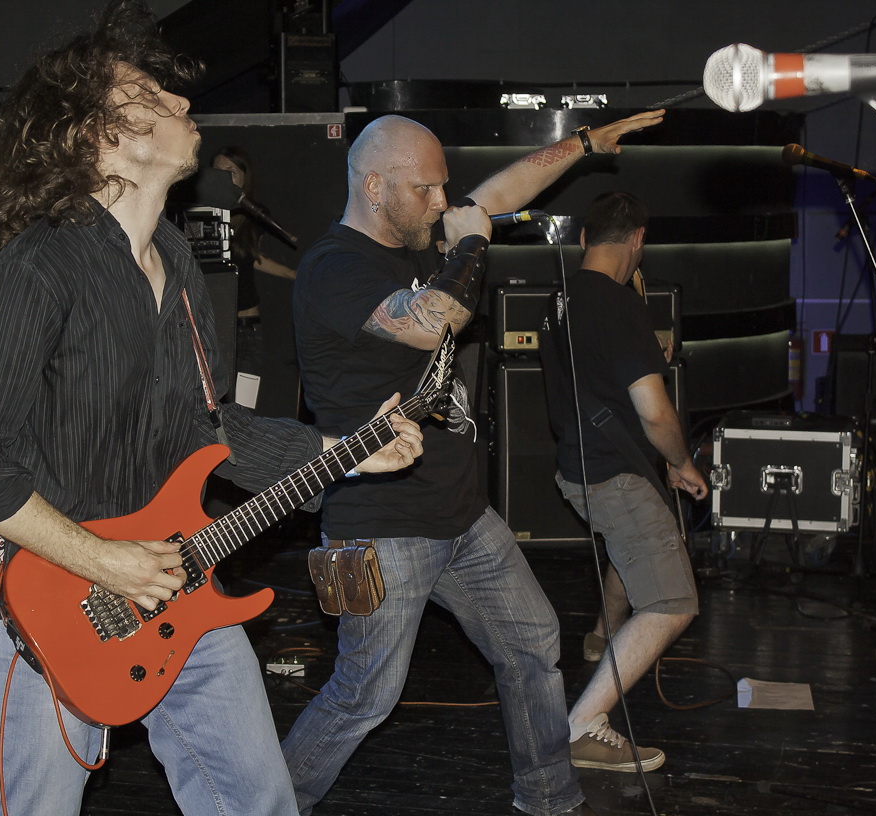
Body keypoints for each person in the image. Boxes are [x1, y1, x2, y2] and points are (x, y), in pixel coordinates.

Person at [0, 3, 423, 815]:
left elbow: (208, 429)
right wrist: (101, 559)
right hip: (51, 609)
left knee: (257, 802)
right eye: (150, 94)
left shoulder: (180, 262)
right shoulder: (41, 267)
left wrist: (344, 449)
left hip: (181, 589)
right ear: (99, 134)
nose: (183, 101)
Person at [284, 111, 662, 816]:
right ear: (374, 186)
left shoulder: (420, 234)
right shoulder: (335, 268)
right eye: (425, 189)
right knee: (364, 694)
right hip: (380, 527)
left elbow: (501, 191)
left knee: (532, 643)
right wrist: (470, 246)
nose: (440, 202)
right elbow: (430, 322)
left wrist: (583, 145)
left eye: (443, 187)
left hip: (460, 515)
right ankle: (264, 804)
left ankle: (549, 798)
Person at [538, 191, 708, 773]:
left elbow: (593, 372)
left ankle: (601, 635)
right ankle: (583, 726)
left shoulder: (559, 301)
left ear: (584, 238)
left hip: (579, 469)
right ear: (637, 239)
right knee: (672, 602)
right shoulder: (621, 305)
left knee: (626, 547)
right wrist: (682, 463)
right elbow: (654, 412)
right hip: (616, 476)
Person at [210, 146, 297, 403]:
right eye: (217, 172)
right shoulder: (200, 213)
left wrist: (293, 274)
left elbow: (253, 257)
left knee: (245, 404)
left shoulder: (252, 215)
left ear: (244, 177)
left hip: (246, 326)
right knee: (213, 404)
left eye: (231, 171)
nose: (224, 177)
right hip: (213, 326)